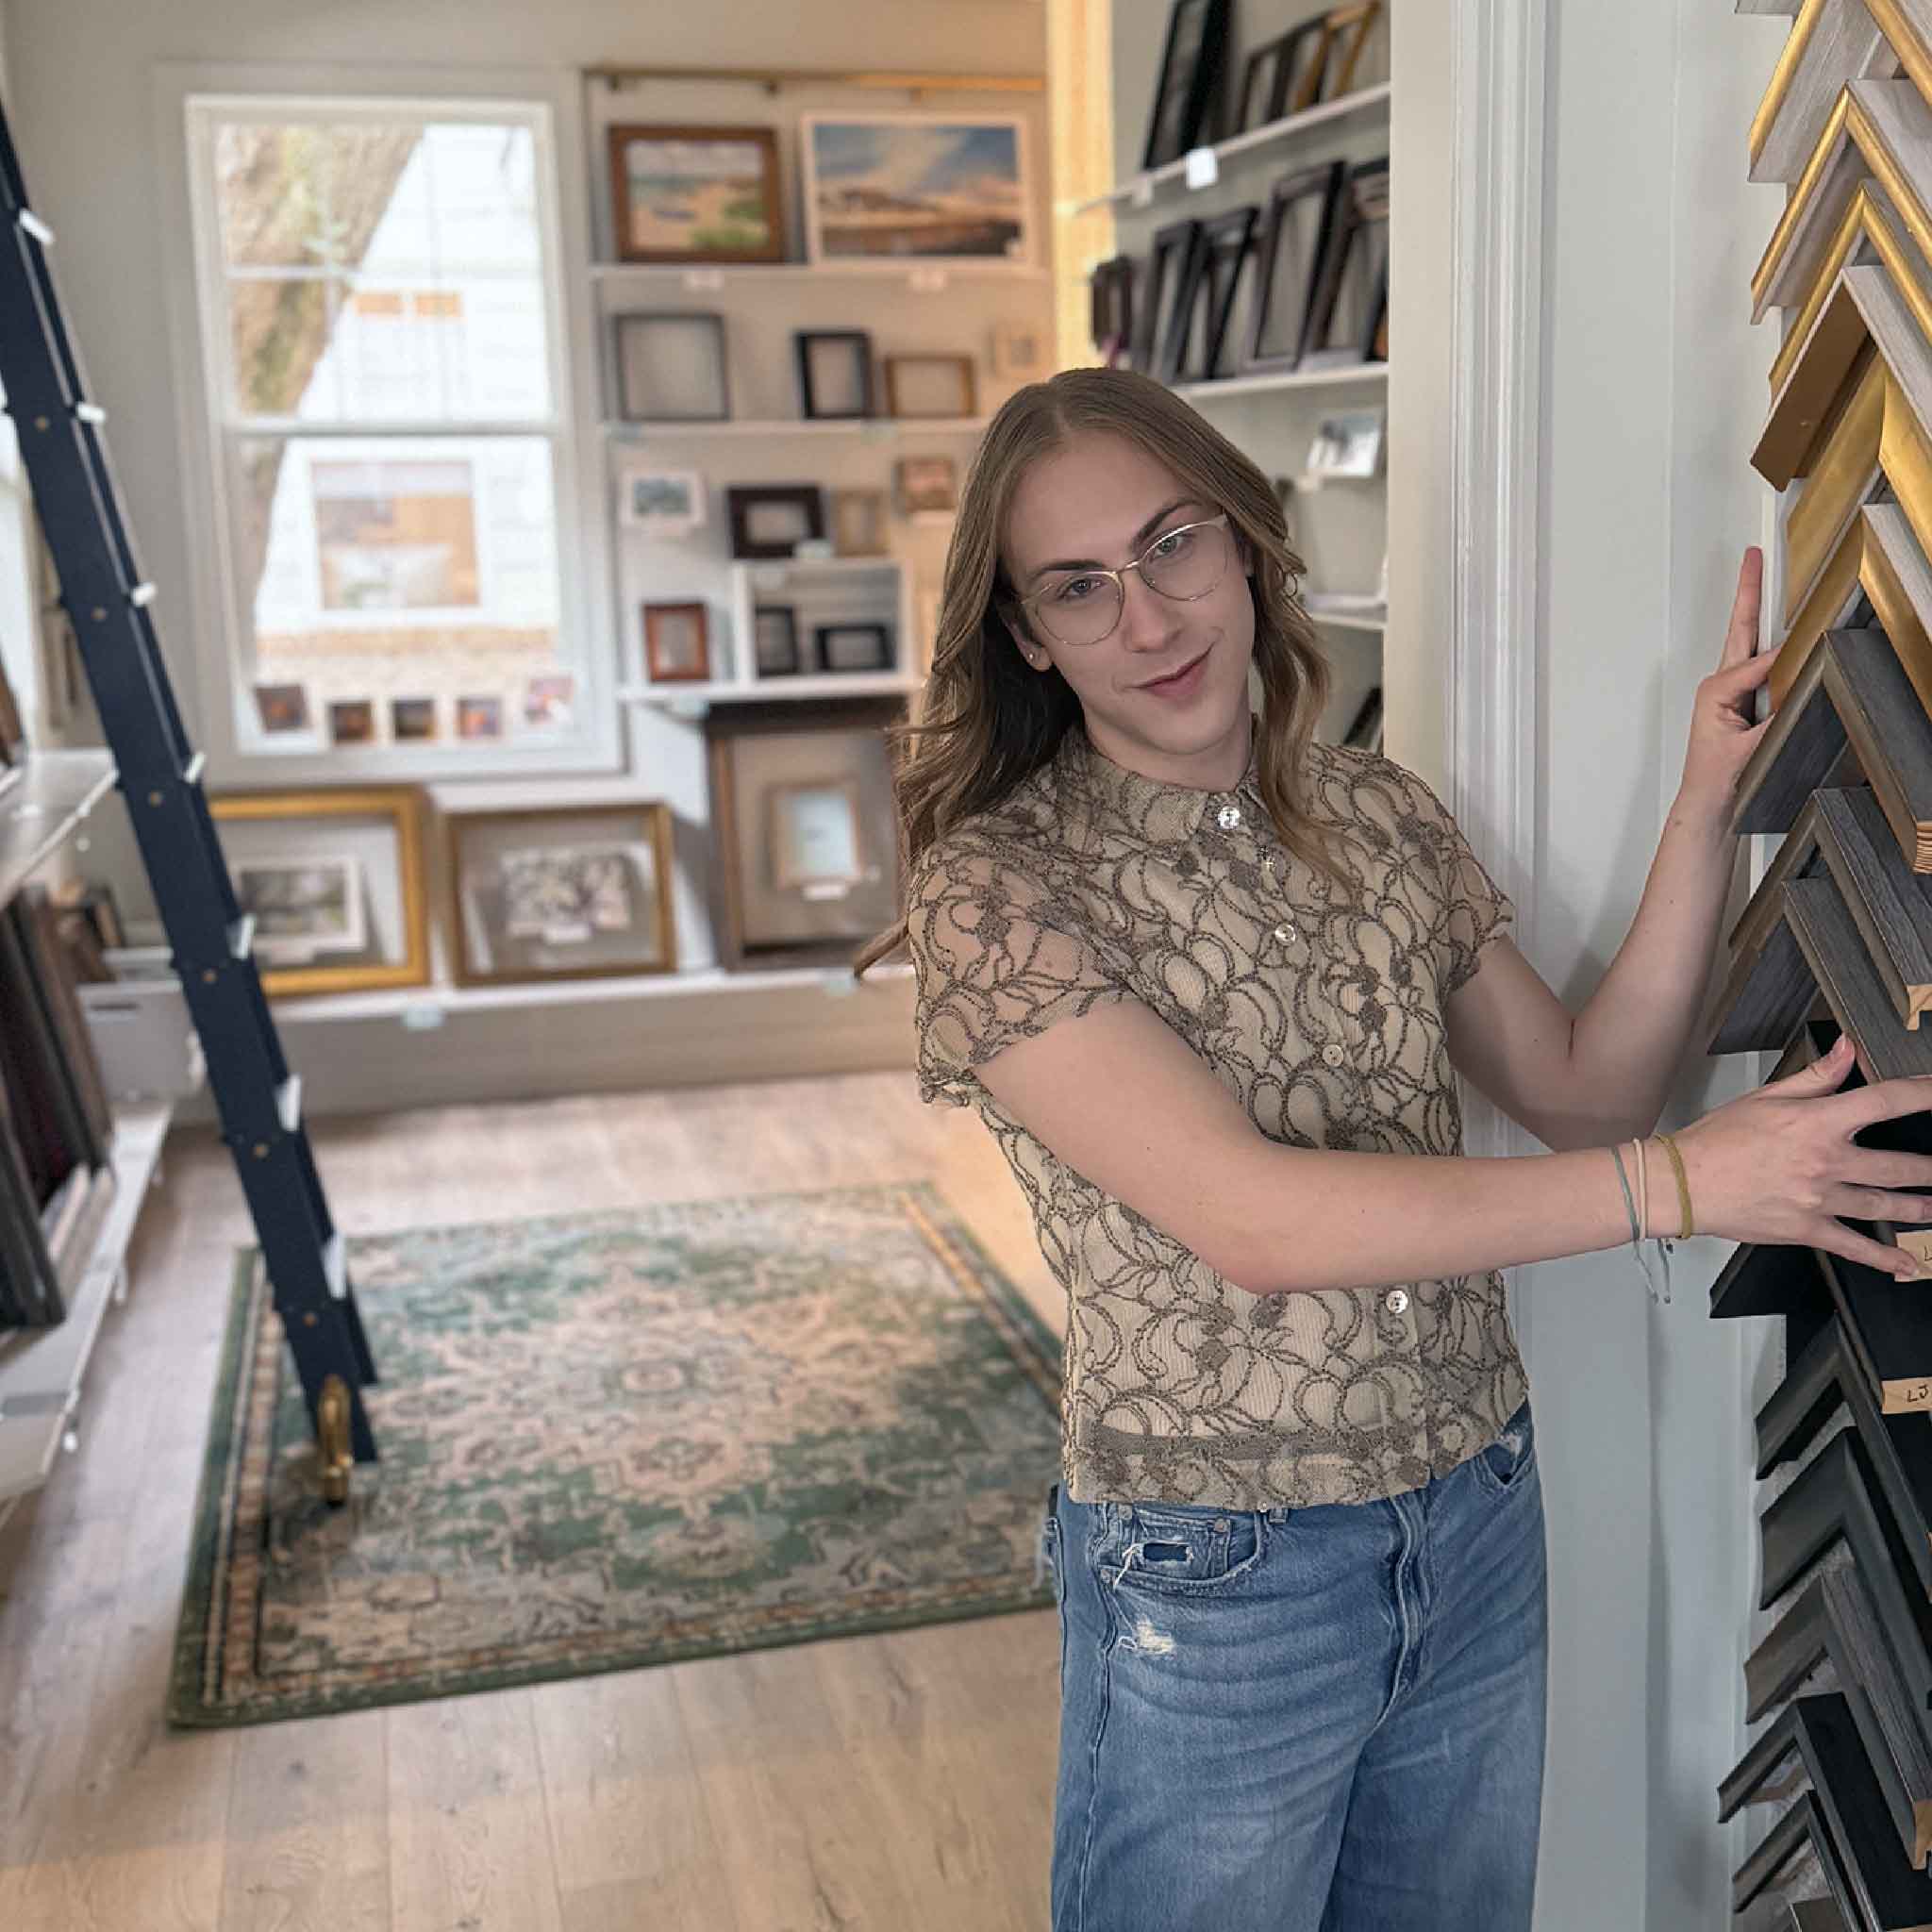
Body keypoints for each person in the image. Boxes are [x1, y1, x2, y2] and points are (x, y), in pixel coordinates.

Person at [855, 366, 1932, 1932]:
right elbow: (1255, 1221)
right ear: (1028, 636)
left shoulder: (1377, 812)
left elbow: (1588, 1089)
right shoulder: (1001, 894)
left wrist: (1706, 808)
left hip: (1479, 1510)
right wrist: (1695, 1188)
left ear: (1242, 542)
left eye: (1172, 547)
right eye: (1079, 590)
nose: (1149, 621)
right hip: (1220, 1574)